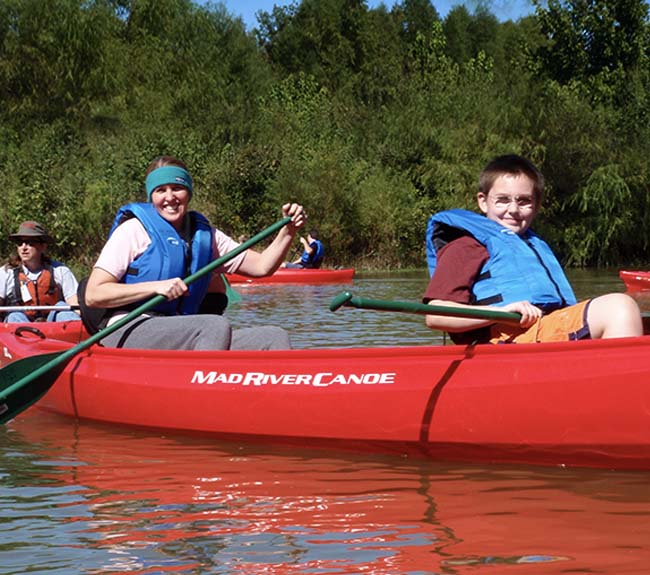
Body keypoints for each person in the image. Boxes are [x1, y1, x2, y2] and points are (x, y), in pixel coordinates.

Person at [80, 155, 307, 350]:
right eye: (161, 190)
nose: (170, 197)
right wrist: (156, 287)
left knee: (272, 336)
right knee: (214, 325)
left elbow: (262, 266)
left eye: (177, 188)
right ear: (152, 196)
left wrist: (289, 230)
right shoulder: (133, 230)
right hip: (128, 327)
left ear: (188, 192)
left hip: (183, 329)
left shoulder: (206, 235)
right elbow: (94, 294)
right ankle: (205, 394)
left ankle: (283, 397)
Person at [423, 154, 642, 344]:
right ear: (483, 202)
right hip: (507, 339)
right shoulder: (466, 246)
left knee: (640, 320)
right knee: (619, 307)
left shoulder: (533, 244)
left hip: (546, 329)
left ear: (536, 205)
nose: (513, 210)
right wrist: (501, 312)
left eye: (524, 201)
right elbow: (436, 316)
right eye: (502, 200)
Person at [0, 221, 81, 323]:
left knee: (62, 307)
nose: (24, 247)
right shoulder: (6, 273)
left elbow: (75, 305)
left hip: (53, 328)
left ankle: (80, 336)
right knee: (14, 315)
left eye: (30, 243)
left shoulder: (60, 270)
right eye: (20, 243)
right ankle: (29, 337)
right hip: (19, 330)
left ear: (43, 246)